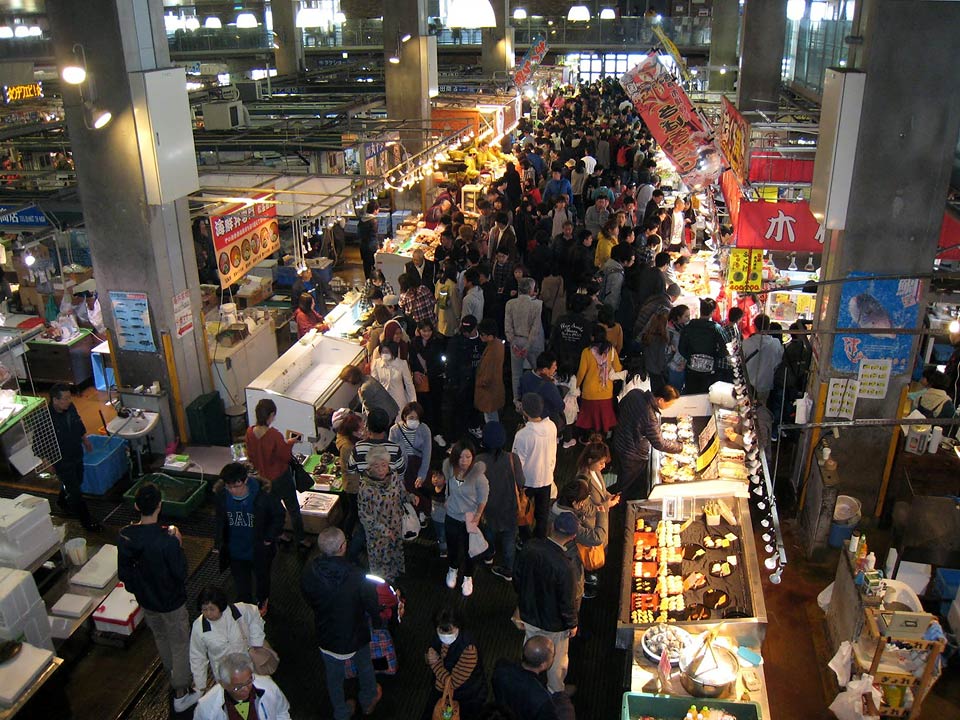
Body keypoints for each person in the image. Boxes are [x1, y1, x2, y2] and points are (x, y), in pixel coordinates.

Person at [118, 482, 199, 712]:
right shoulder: (167, 540)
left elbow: (124, 573)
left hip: (146, 600)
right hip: (170, 601)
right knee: (180, 642)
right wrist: (179, 544)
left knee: (161, 637)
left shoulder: (125, 536)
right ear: (160, 506)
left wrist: (140, 590)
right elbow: (180, 572)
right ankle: (181, 691)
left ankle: (172, 673)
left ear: (136, 506)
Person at [301, 528, 383, 720]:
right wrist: (378, 622)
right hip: (355, 633)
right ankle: (369, 699)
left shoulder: (310, 571)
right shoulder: (357, 576)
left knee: (333, 677)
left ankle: (341, 711)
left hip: (326, 634)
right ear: (343, 547)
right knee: (364, 666)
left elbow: (307, 596)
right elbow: (371, 603)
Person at [513, 512, 580, 695]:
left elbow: (517, 578)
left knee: (531, 651)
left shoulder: (529, 547)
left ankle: (526, 685)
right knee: (557, 661)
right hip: (554, 624)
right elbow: (567, 601)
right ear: (572, 536)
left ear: (553, 527)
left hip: (529, 615)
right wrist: (572, 624)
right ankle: (556, 691)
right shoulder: (565, 566)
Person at [214, 463, 285, 613]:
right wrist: (219, 542)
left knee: (262, 579)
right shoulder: (222, 497)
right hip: (235, 551)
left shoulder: (263, 496)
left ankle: (262, 601)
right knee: (241, 584)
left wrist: (269, 538)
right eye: (229, 487)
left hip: (259, 550)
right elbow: (220, 520)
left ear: (245, 480)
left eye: (236, 486)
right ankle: (246, 606)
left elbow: (279, 515)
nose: (233, 491)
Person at [245, 399, 308, 550]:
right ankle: (301, 539)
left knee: (275, 509)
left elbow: (251, 456)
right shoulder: (274, 435)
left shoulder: (249, 432)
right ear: (271, 414)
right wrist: (291, 442)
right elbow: (285, 456)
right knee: (293, 508)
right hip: (281, 477)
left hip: (263, 479)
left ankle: (279, 534)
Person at [609, 385, 683, 500]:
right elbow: (659, 443)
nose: (670, 407)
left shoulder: (635, 393)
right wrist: (680, 448)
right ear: (661, 400)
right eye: (669, 404)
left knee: (622, 476)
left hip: (619, 441)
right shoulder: (649, 416)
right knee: (626, 484)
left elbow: (620, 408)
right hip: (632, 454)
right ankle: (618, 506)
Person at [189, 586, 266, 692]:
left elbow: (255, 614)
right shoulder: (199, 627)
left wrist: (256, 642)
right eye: (204, 610)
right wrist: (200, 685)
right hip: (224, 678)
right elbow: (197, 657)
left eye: (212, 609)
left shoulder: (238, 611)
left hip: (248, 668)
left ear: (220, 606)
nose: (208, 613)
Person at [437, 439, 488, 597]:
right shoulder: (450, 469)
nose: (464, 461)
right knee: (452, 546)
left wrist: (478, 516)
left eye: (468, 457)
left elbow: (483, 497)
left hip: (470, 517)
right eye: (461, 457)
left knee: (469, 550)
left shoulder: (478, 476)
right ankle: (453, 569)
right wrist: (446, 498)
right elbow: (445, 484)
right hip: (452, 515)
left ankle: (468, 577)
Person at [48, 383, 100, 531]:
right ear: (55, 400)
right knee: (76, 492)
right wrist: (47, 462)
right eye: (65, 399)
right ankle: (87, 522)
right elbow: (40, 443)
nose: (69, 401)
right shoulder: (46, 418)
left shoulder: (70, 408)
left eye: (69, 397)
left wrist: (85, 439)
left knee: (78, 480)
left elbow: (78, 422)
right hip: (61, 460)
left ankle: (62, 501)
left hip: (76, 452)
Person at [477, 422, 524, 582]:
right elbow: (521, 481)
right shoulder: (513, 458)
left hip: (488, 509)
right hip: (510, 508)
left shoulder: (479, 461)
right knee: (509, 540)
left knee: (488, 532)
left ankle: (489, 554)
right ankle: (508, 569)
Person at [422, 607, 487, 720]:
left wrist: (435, 663)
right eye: (441, 631)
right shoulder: (438, 637)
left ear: (458, 627)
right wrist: (429, 659)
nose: (445, 635)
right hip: (443, 688)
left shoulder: (469, 649)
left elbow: (453, 683)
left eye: (449, 631)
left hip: (465, 696)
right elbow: (431, 653)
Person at [492, 636, 576, 720]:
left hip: (504, 711)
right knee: (566, 709)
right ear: (543, 665)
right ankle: (561, 696)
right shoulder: (541, 698)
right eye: (553, 655)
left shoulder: (501, 666)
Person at [357, 445, 407, 582]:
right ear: (370, 467)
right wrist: (383, 530)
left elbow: (401, 493)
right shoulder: (366, 487)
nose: (381, 470)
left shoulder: (394, 476)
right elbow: (363, 515)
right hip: (377, 533)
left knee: (395, 552)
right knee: (381, 562)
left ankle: (395, 579)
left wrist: (410, 497)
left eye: (384, 465)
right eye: (376, 466)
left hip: (395, 525)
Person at [512, 393, 558, 539]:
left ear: (525, 411)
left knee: (522, 510)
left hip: (527, 482)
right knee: (542, 514)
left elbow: (518, 463)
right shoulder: (551, 426)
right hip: (546, 478)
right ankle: (540, 540)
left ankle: (525, 539)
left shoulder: (523, 435)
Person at [193, 652, 290, 720]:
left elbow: (282, 711)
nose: (246, 689)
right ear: (223, 684)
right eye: (238, 687)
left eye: (249, 681)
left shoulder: (268, 686)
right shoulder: (207, 707)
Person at [552, 480, 606, 599]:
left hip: (557, 558)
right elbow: (597, 538)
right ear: (575, 502)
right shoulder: (569, 522)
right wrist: (602, 514)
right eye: (582, 502)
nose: (584, 505)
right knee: (574, 593)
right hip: (570, 562)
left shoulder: (554, 506)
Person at [576, 440, 618, 586]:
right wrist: (607, 504)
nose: (603, 466)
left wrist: (608, 495)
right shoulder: (582, 480)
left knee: (601, 548)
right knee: (593, 553)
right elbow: (585, 509)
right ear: (590, 460)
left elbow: (601, 490)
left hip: (600, 519)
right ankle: (590, 579)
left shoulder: (596, 471)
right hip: (592, 523)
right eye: (601, 463)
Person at [575, 326, 623, 435]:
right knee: (604, 418)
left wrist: (575, 386)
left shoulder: (586, 352)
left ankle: (588, 438)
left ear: (592, 337)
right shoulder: (611, 351)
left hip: (589, 392)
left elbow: (581, 372)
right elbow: (618, 368)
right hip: (606, 391)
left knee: (588, 420)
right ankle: (604, 437)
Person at [504, 277, 545, 404]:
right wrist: (528, 346)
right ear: (532, 289)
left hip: (516, 341)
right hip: (532, 343)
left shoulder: (510, 304)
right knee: (538, 371)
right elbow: (535, 328)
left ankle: (517, 400)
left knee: (516, 374)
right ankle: (539, 398)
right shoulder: (538, 305)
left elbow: (508, 326)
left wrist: (513, 343)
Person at [390, 401, 433, 519]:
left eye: (417, 418)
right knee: (407, 491)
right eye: (411, 417)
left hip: (418, 465)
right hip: (403, 466)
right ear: (404, 416)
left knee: (421, 490)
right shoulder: (395, 430)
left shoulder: (424, 430)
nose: (414, 421)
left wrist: (422, 475)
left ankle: (423, 513)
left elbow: (427, 453)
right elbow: (392, 454)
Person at [444, 315, 484, 441]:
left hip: (477, 380)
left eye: (469, 331)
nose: (466, 334)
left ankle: (474, 425)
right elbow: (450, 362)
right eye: (464, 331)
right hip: (460, 382)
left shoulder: (482, 340)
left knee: (475, 406)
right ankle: (459, 434)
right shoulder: (456, 341)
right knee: (459, 408)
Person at [678, 297, 727, 395]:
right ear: (713, 312)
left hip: (691, 370)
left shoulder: (689, 327)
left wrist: (690, 357)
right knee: (706, 397)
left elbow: (681, 348)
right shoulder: (716, 328)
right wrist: (715, 358)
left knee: (691, 395)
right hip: (709, 371)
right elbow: (725, 349)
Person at [409, 319, 447, 438]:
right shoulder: (414, 343)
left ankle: (437, 432)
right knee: (423, 406)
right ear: (419, 331)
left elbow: (437, 360)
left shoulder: (438, 342)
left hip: (435, 379)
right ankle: (425, 431)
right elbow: (412, 361)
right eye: (423, 331)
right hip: (422, 380)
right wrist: (415, 372)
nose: (426, 333)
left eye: (429, 330)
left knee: (436, 405)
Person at [334, 410, 364, 550]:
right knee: (354, 511)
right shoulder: (348, 448)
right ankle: (347, 534)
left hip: (351, 483)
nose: (363, 431)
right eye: (360, 429)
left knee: (353, 510)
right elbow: (357, 467)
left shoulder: (343, 439)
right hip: (353, 485)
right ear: (353, 432)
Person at [742, 314, 785, 405]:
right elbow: (779, 362)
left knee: (746, 408)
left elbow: (740, 362)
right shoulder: (776, 344)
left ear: (754, 326)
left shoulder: (746, 344)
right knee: (761, 410)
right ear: (768, 326)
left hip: (748, 385)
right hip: (766, 384)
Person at [519, 350, 565, 433]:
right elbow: (561, 406)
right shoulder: (549, 386)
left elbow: (520, 393)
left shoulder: (525, 376)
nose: (556, 369)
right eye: (553, 367)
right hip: (543, 422)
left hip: (528, 417)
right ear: (544, 370)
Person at [371, 340, 417, 416]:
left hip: (399, 400)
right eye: (383, 352)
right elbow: (374, 383)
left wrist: (413, 402)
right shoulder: (376, 363)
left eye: (387, 352)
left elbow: (409, 384)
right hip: (383, 401)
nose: (385, 354)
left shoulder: (402, 364)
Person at [475, 318, 506, 422]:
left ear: (488, 335)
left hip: (488, 390)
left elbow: (487, 373)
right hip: (496, 387)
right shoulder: (499, 345)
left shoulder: (492, 352)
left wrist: (479, 383)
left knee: (490, 417)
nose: (480, 336)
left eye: (482, 334)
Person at [642, 310, 671, 393]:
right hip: (657, 373)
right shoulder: (662, 340)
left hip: (647, 370)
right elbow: (661, 360)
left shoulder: (646, 337)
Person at [599, 243, 633, 313]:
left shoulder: (609, 264)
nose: (633, 261)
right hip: (604, 310)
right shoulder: (617, 274)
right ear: (625, 261)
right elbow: (612, 297)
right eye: (632, 260)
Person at [435, 261, 462, 338]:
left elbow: (436, 299)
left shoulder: (439, 282)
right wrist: (458, 318)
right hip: (450, 317)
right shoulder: (452, 286)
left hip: (440, 316)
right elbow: (455, 304)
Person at [666, 304, 689, 392]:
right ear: (678, 317)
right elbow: (667, 350)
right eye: (686, 316)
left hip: (681, 365)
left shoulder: (684, 329)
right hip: (672, 367)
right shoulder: (669, 330)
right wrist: (677, 365)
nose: (688, 319)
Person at [357, 200, 380, 279]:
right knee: (374, 266)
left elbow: (359, 234)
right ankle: (374, 282)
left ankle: (368, 282)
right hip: (371, 248)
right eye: (378, 210)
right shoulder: (373, 221)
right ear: (375, 210)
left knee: (366, 267)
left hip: (363, 247)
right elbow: (374, 236)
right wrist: (378, 247)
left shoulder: (361, 220)